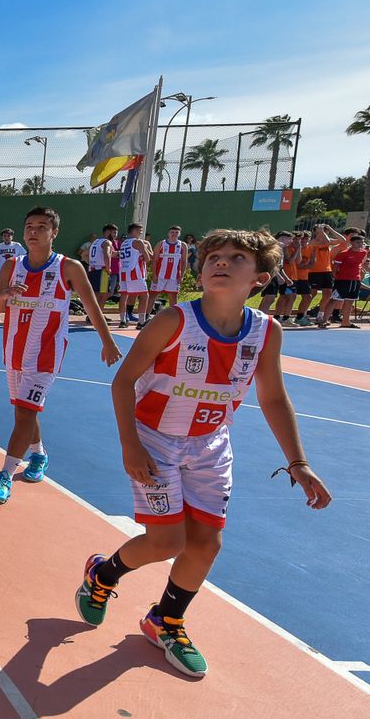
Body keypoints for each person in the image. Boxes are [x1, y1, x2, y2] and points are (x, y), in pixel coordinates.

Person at [75, 228, 331, 678]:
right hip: (156, 439)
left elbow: (273, 398)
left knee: (207, 544)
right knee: (166, 542)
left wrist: (298, 462)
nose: (222, 262)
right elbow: (123, 382)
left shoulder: (265, 332)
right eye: (214, 256)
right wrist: (130, 444)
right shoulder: (174, 321)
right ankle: (103, 575)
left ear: (261, 278)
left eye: (237, 258)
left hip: (211, 445)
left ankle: (166, 620)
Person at [0, 207, 120, 504]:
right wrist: (5, 295)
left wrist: (107, 341)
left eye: (42, 226)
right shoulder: (11, 266)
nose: (34, 231)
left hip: (46, 355)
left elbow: (91, 305)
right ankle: (39, 455)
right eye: (29, 226)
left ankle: (5, 477)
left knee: (25, 412)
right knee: (24, 411)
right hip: (14, 351)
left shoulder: (68, 267)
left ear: (54, 232)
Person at [319, 228, 369, 330]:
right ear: (352, 243)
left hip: (355, 280)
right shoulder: (343, 253)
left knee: (350, 301)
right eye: (358, 242)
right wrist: (336, 277)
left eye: (362, 242)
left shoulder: (364, 252)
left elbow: (360, 264)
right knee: (334, 300)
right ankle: (324, 321)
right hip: (342, 280)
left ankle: (346, 322)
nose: (360, 244)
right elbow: (335, 267)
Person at [297, 223, 338, 326]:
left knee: (328, 293)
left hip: (327, 271)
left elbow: (342, 240)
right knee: (312, 293)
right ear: (315, 232)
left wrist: (330, 229)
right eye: (321, 230)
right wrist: (320, 231)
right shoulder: (312, 242)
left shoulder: (327, 241)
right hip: (314, 271)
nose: (324, 232)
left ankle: (320, 315)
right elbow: (327, 241)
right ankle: (303, 314)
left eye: (325, 231)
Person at [116, 224, 152, 328]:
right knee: (144, 296)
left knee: (124, 296)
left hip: (124, 271)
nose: (141, 232)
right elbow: (148, 258)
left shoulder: (124, 243)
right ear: (134, 230)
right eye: (139, 230)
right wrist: (146, 248)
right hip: (135, 272)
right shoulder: (138, 242)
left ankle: (123, 321)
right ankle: (141, 322)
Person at [0, 227, 24, 324]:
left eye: (8, 235)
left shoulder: (17, 246)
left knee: (14, 295)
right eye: (4, 236)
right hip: (0, 275)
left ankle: (13, 317)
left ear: (12, 237)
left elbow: (25, 256)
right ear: (2, 237)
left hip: (14, 275)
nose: (6, 237)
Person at [151, 226, 187, 312]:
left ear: (179, 234)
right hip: (160, 275)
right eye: (172, 232)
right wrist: (154, 274)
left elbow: (184, 261)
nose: (174, 234)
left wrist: (182, 276)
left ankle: (174, 315)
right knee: (153, 295)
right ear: (168, 233)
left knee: (173, 296)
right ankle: (146, 316)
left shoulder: (182, 245)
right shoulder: (161, 243)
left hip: (174, 276)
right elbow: (154, 260)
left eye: (176, 232)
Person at [87, 224, 116, 300]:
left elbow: (84, 254)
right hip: (102, 271)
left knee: (94, 294)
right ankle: (99, 308)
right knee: (103, 295)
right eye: (114, 233)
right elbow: (107, 255)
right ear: (108, 232)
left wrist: (92, 263)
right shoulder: (107, 242)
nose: (115, 236)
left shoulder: (95, 242)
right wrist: (108, 268)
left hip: (92, 270)